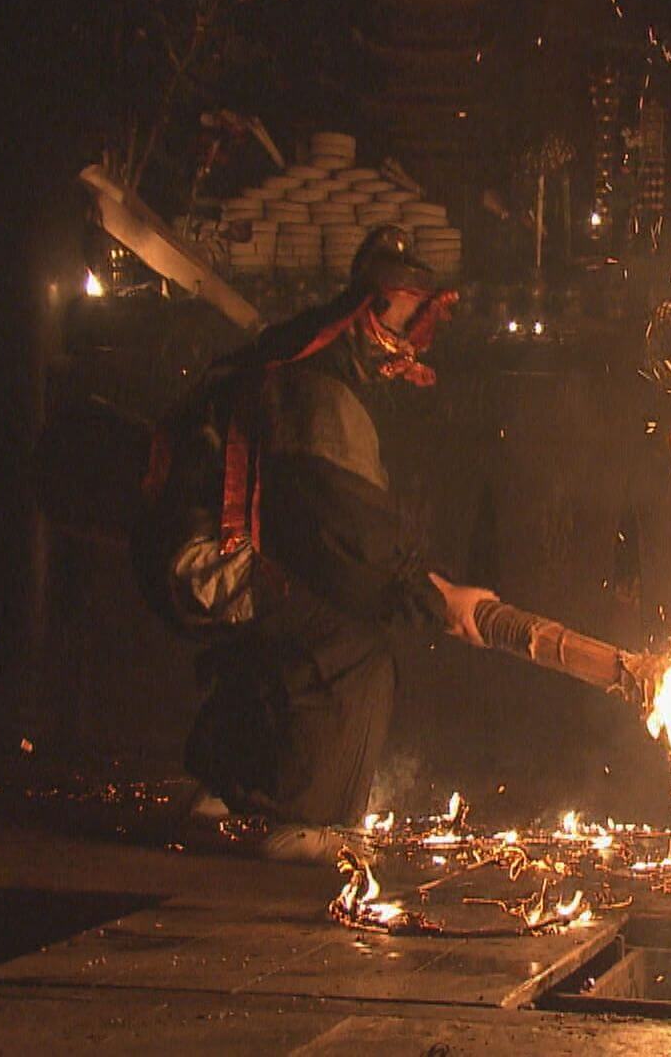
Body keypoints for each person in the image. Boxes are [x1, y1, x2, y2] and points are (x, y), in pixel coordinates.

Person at [174, 227, 497, 863]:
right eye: (400, 323)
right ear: (367, 312)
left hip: (216, 555)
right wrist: (432, 598)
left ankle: (225, 785)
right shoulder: (317, 390)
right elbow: (347, 534)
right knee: (355, 646)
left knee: (306, 621)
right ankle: (306, 818)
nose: (406, 345)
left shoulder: (304, 363)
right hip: (211, 564)